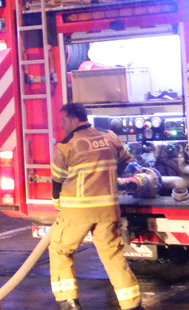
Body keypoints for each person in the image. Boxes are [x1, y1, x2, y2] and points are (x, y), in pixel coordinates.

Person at [48, 102, 142, 310]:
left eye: (63, 120)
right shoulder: (108, 136)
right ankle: (132, 305)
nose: (61, 125)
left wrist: (57, 201)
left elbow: (57, 179)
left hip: (77, 212)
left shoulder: (66, 145)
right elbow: (124, 160)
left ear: (73, 119)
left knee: (60, 250)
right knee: (113, 254)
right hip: (108, 209)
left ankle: (69, 303)